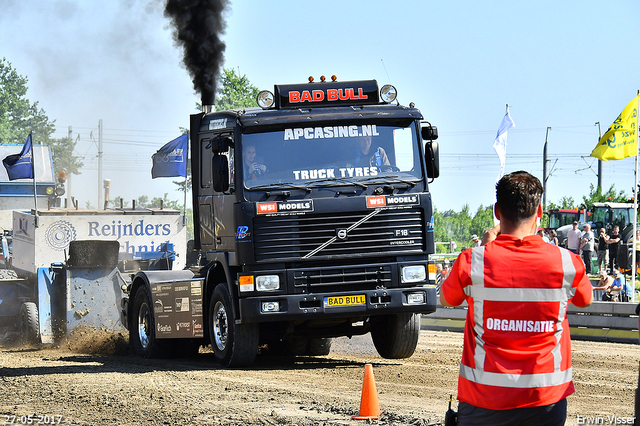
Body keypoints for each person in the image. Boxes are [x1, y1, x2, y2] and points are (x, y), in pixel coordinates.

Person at [440, 170, 592, 425]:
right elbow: (585, 300)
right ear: (540, 212)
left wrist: (483, 248)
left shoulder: (472, 261)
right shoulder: (568, 264)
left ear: (497, 212)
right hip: (546, 401)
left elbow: (446, 299)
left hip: (483, 403)